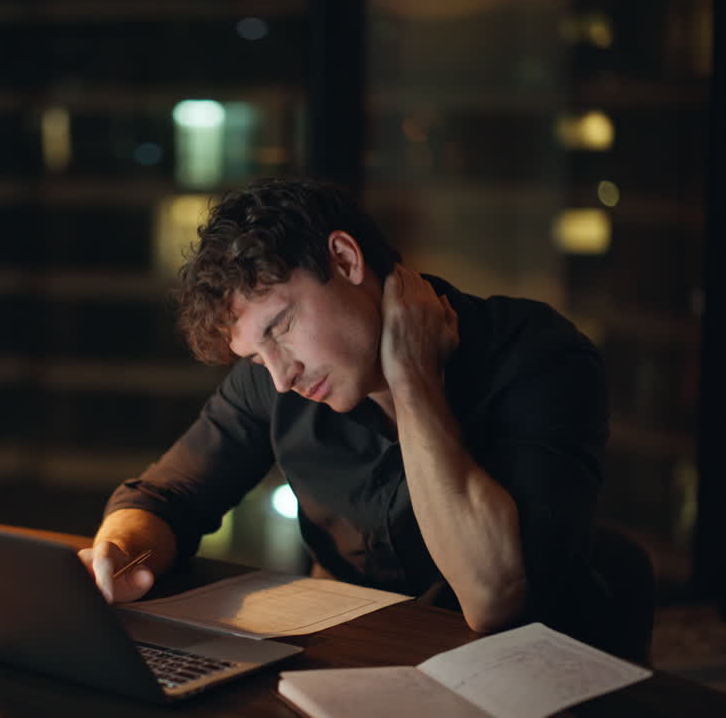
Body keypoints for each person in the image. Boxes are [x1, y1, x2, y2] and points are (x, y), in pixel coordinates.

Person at [78, 177, 611, 641]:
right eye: (257, 357)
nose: (281, 377)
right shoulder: (276, 381)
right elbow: (166, 497)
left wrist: (412, 377)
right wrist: (120, 551)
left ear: (345, 260)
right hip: (362, 671)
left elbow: (494, 598)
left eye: (281, 328)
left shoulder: (538, 356)